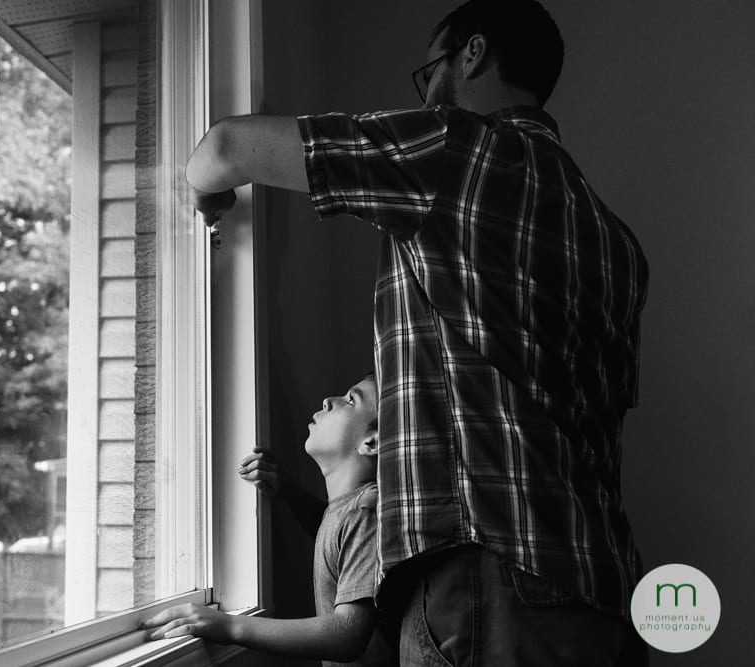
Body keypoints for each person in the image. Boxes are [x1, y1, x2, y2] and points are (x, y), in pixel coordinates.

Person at [184, 1, 650, 665]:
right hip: (606, 595)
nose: (429, 93)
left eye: (429, 71)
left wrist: (204, 200)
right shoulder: (616, 242)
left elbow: (222, 151)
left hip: (491, 585)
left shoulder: (458, 148)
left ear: (473, 53)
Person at [142, 375, 392, 666]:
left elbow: (348, 635)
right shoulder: (350, 510)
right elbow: (337, 545)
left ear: (371, 442)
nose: (328, 401)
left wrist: (229, 626)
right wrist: (288, 490)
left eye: (351, 400)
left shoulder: (364, 512)